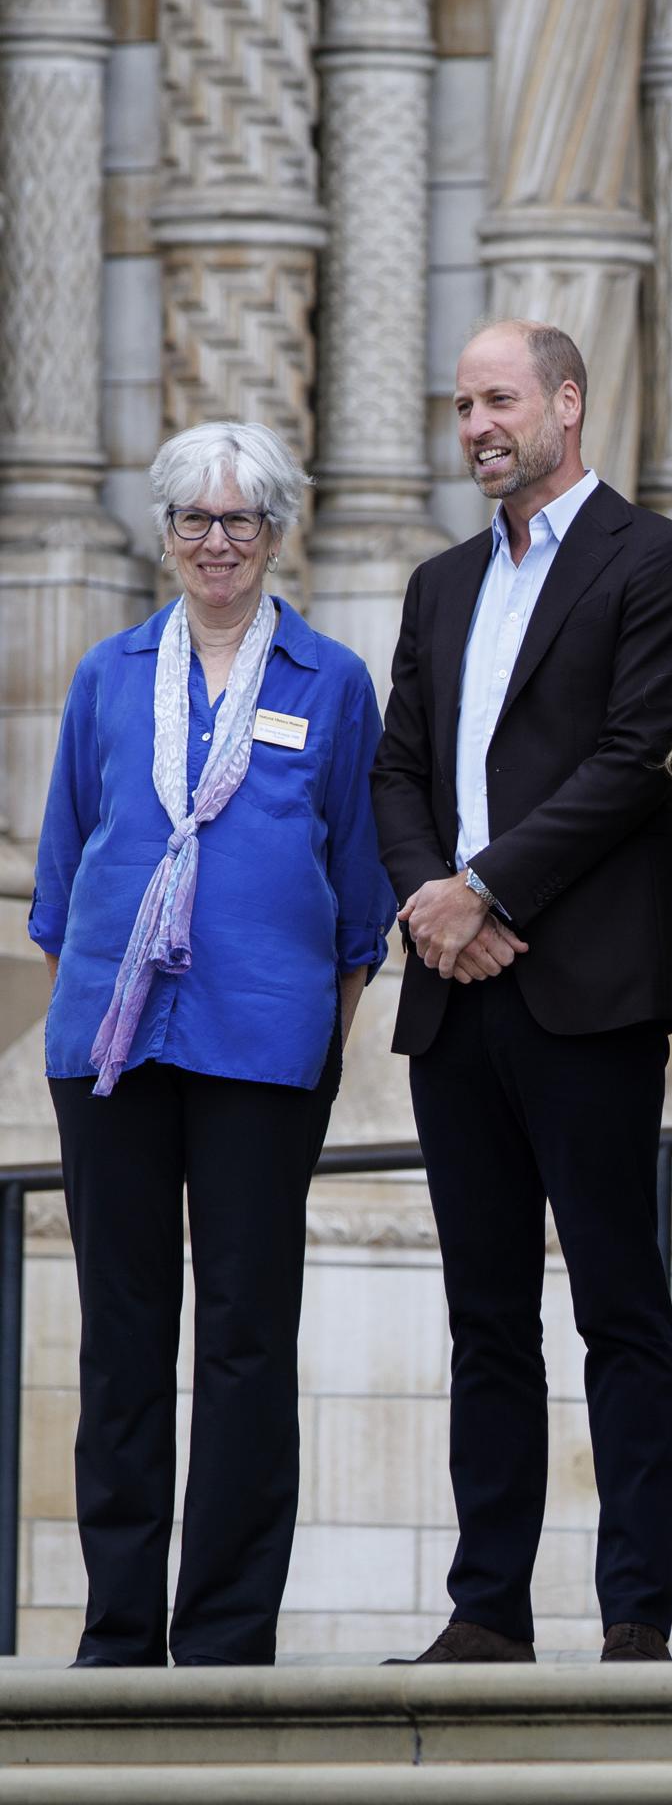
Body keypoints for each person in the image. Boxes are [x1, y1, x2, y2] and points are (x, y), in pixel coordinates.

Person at [371, 318, 672, 1666]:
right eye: (462, 403)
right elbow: (399, 771)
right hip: (455, 995)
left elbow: (635, 759)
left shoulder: (658, 560)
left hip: (585, 993)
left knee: (619, 1311)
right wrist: (433, 904)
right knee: (483, 1314)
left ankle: (635, 1616)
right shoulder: (439, 581)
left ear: (569, 402)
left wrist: (489, 891)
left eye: (500, 397)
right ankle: (487, 1610)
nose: (477, 424)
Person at [28, 421, 396, 1668]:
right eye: (193, 518)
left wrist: (322, 1037)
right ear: (165, 532)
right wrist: (96, 1002)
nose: (216, 542)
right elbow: (64, 871)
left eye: (241, 520)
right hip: (115, 1055)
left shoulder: (330, 680)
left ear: (277, 532)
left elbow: (360, 897)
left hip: (262, 1050)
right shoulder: (106, 674)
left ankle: (230, 1632)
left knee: (247, 1340)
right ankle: (120, 1634)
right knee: (123, 1339)